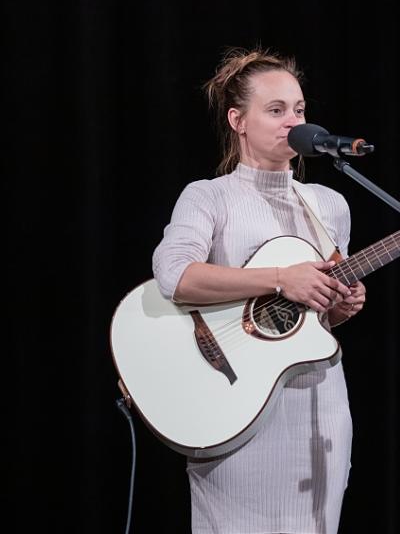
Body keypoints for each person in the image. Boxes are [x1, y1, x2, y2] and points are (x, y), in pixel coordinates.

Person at [152, 47, 367, 533]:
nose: (292, 121)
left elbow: (314, 319)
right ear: (238, 120)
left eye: (299, 110)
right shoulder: (210, 196)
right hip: (237, 406)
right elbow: (176, 275)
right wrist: (280, 278)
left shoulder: (329, 205)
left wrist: (341, 305)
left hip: (320, 404)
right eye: (275, 111)